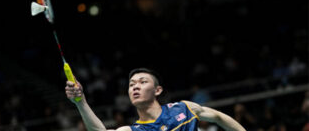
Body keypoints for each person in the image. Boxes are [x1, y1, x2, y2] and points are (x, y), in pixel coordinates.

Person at [65, 68, 246, 131]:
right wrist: (81, 102)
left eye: (142, 82)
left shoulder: (184, 109)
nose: (135, 86)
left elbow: (219, 117)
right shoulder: (135, 130)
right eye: (131, 84)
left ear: (157, 90)